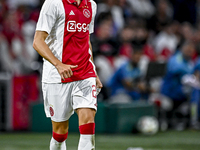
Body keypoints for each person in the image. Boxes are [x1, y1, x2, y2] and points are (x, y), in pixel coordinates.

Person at [33, 0, 103, 150]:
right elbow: (38, 42)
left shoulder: (91, 5)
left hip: (85, 73)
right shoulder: (53, 3)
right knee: (60, 132)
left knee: (88, 120)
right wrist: (58, 64)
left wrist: (94, 71)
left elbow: (86, 39)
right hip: (57, 76)